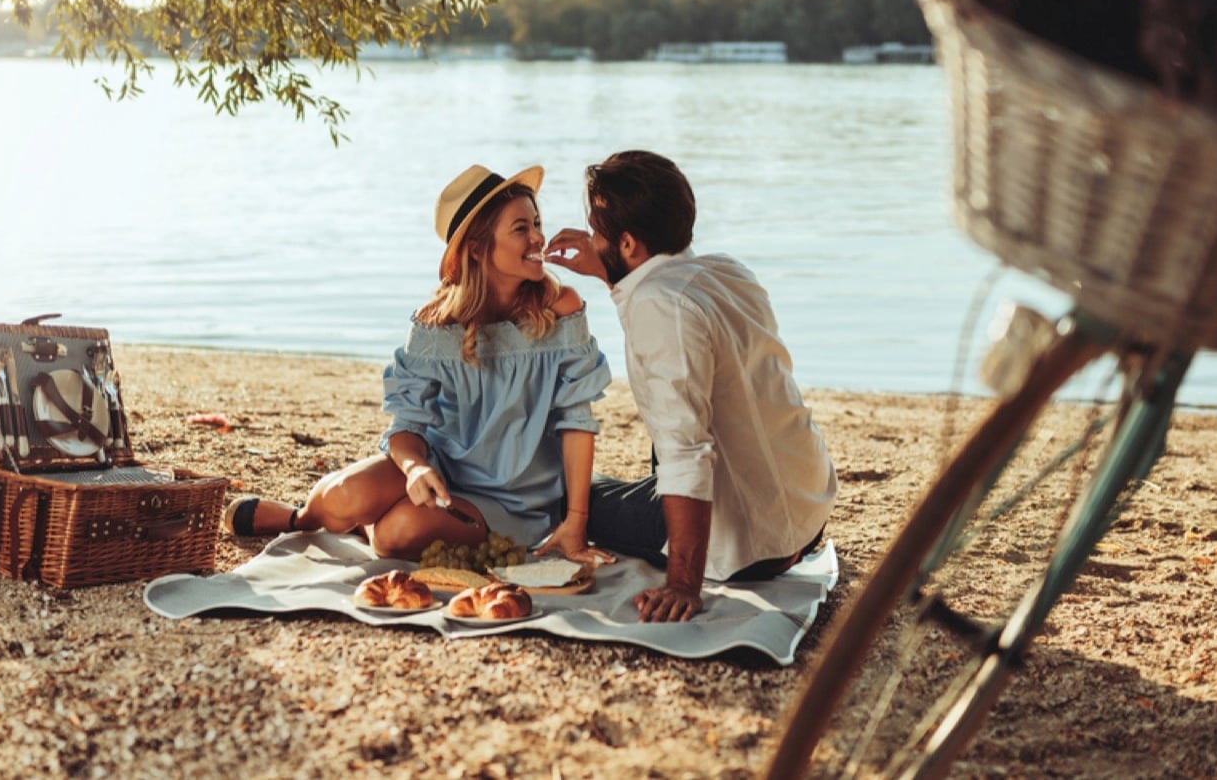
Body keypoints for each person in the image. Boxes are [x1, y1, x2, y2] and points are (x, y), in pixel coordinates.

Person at [223, 164, 614, 565]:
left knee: (396, 535)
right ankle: (300, 520)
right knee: (344, 496)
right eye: (520, 228)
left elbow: (576, 420)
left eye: (536, 222)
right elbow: (407, 426)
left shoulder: (561, 309)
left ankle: (365, 523)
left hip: (513, 500)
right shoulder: (435, 324)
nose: (537, 237)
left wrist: (576, 521)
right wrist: (413, 469)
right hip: (436, 471)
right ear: (477, 248)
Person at [545, 150, 837, 622]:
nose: (589, 237)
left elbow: (686, 452)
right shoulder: (725, 272)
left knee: (560, 493)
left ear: (629, 244)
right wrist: (606, 265)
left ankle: (676, 553)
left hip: (752, 546)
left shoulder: (660, 307)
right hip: (805, 512)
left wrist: (683, 584)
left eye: (597, 231)